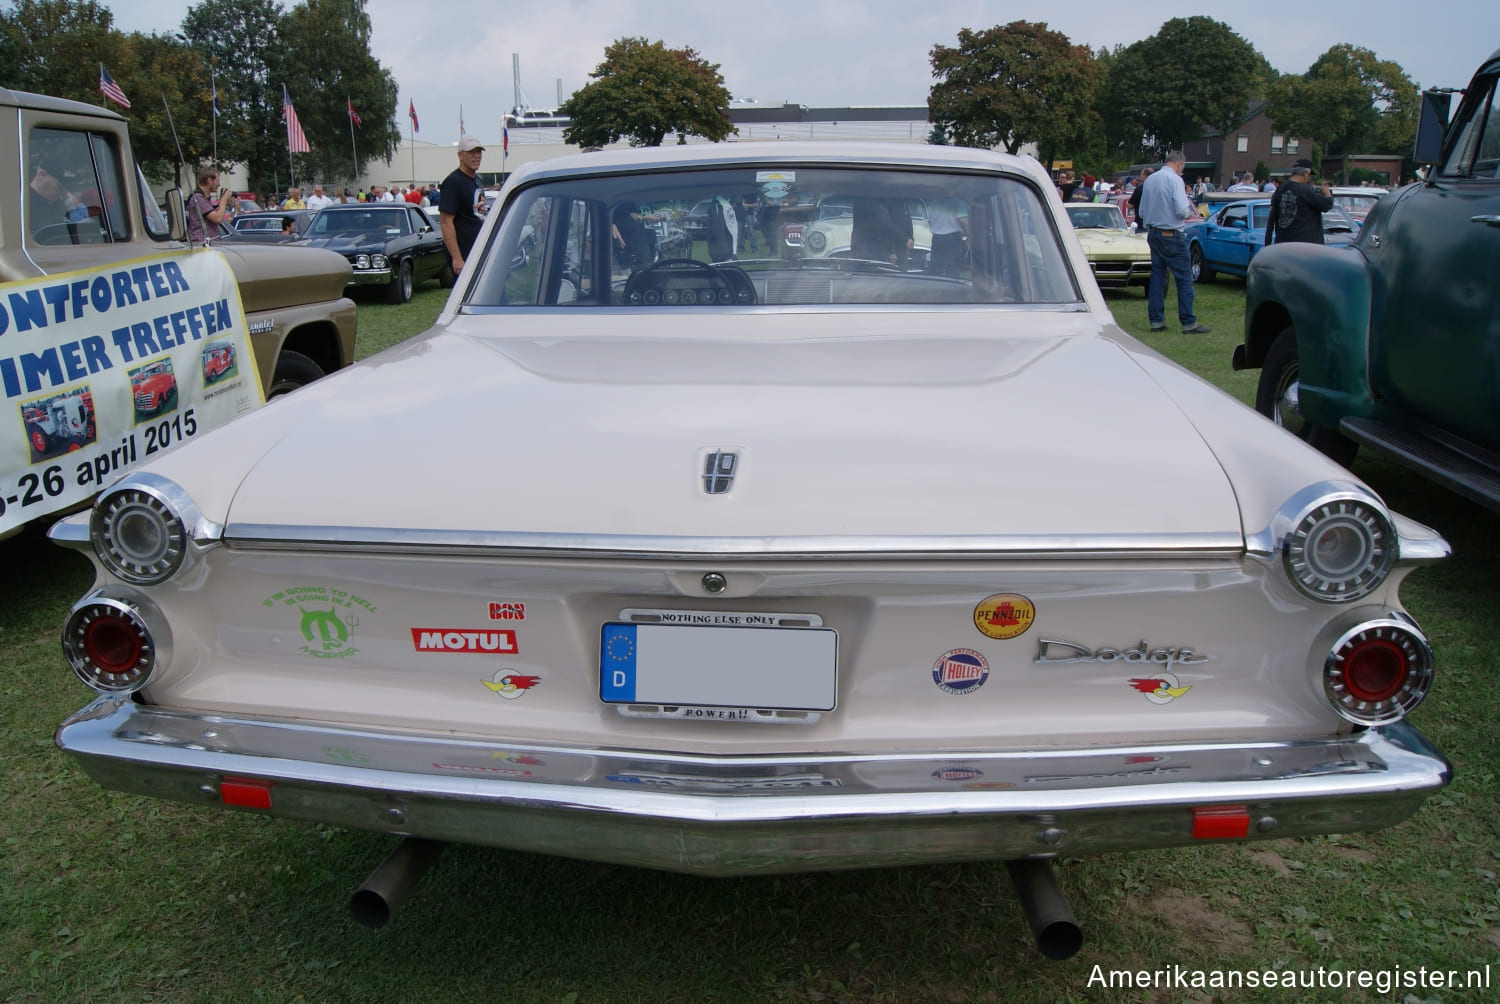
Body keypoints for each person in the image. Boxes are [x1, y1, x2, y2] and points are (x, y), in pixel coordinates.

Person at [1139, 151, 1210, 334]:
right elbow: (1180, 210)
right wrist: (1189, 212)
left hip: (1153, 232)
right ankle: (1188, 322)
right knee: (1184, 278)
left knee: (1157, 277)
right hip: (1171, 234)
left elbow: (1141, 211)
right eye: (1182, 168)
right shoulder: (1175, 180)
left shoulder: (1150, 179)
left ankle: (1156, 320)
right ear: (1179, 164)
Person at [439, 135, 485, 275]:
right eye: (471, 152)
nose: (476, 156)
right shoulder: (453, 182)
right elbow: (446, 221)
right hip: (464, 252)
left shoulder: (476, 180)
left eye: (478, 152)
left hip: (478, 248)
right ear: (460, 155)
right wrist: (457, 258)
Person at [1265, 158, 1334, 246]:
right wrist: (1327, 193)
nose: (1309, 178)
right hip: (1304, 245)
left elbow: (1272, 218)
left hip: (1282, 243)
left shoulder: (1280, 189)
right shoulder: (1305, 190)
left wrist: (1267, 243)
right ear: (1305, 173)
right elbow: (1327, 205)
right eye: (1309, 175)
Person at [187, 166, 234, 243]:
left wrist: (223, 203)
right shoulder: (198, 198)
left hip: (209, 244)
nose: (219, 185)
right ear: (209, 180)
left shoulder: (204, 198)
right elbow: (217, 219)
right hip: (202, 244)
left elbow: (215, 214)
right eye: (217, 181)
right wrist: (224, 200)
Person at [926, 196, 968, 276]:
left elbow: (930, 221)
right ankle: (952, 287)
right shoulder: (958, 202)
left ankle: (935, 287)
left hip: (936, 239)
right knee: (952, 268)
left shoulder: (933, 203)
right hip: (952, 239)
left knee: (935, 268)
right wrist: (970, 235)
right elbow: (963, 221)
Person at [28, 159, 71, 236]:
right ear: (42, 174)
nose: (64, 191)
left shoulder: (59, 207)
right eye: (59, 185)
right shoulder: (20, 205)